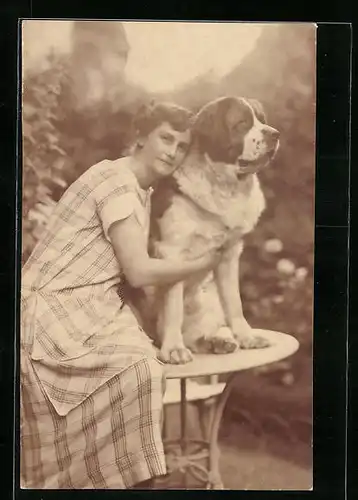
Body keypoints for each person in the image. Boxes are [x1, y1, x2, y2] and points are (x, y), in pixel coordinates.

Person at [20, 102, 223, 489]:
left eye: (181, 146)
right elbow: (140, 270)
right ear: (141, 137)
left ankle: (129, 482)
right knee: (141, 372)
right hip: (52, 313)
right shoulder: (114, 179)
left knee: (142, 376)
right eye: (166, 138)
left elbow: (134, 280)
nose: (172, 151)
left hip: (91, 310)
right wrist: (201, 263)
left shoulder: (138, 191)